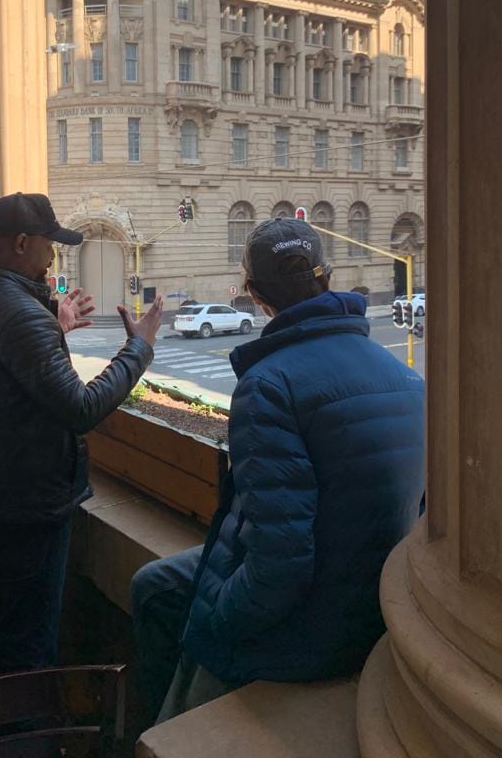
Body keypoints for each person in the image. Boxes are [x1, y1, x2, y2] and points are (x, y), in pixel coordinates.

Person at [131, 217, 425, 723]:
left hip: (309, 630)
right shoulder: (407, 377)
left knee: (166, 625)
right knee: (156, 583)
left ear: (254, 293)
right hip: (375, 605)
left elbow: (279, 568)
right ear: (328, 277)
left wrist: (214, 621)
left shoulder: (268, 385)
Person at [0, 192, 163, 679]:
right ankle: (21, 722)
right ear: (23, 243)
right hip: (30, 503)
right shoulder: (20, 314)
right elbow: (81, 408)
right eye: (49, 245)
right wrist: (138, 349)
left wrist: (51, 329)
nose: (53, 257)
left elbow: (0, 384)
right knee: (28, 643)